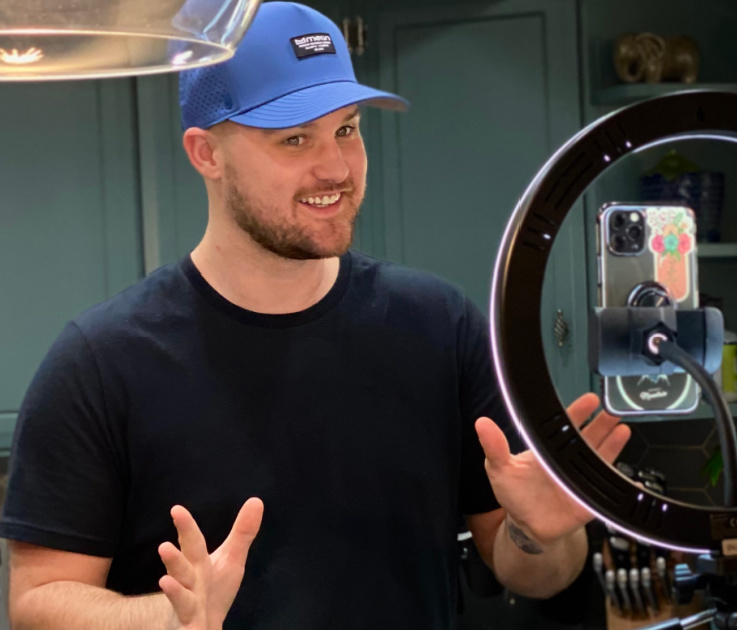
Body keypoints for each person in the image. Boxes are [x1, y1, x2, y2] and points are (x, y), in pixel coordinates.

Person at [0, 3, 630, 628]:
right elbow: (38, 600)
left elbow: (534, 572)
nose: (335, 169)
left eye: (348, 129)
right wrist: (164, 621)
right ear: (206, 154)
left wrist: (538, 536)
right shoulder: (100, 361)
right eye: (294, 138)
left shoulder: (439, 326)